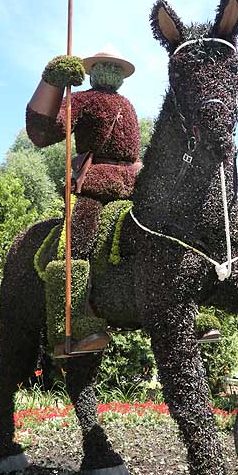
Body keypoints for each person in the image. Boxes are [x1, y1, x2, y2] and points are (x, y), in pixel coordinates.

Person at [26, 47, 141, 352]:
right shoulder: (82, 99)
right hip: (93, 187)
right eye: (106, 65)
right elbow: (43, 133)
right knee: (76, 241)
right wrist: (52, 82)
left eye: (117, 67)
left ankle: (189, 308)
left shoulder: (127, 106)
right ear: (93, 70)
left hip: (132, 186)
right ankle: (73, 323)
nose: (112, 71)